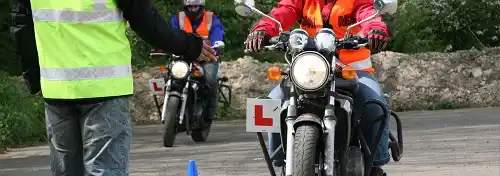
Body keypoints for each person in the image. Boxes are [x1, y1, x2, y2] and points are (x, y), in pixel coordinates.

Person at [10, 0, 217, 175]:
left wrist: (36, 76)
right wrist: (189, 46)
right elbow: (145, 19)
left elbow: (21, 23)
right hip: (105, 89)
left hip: (57, 88)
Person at [244, 0, 391, 175]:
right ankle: (282, 159)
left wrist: (376, 29)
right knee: (273, 100)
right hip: (310, 69)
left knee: (374, 103)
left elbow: (367, 12)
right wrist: (262, 30)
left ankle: (375, 164)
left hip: (353, 70)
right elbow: (283, 12)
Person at [171, 0, 225, 120]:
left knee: (210, 80)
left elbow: (218, 35)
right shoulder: (178, 19)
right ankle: (172, 103)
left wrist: (216, 47)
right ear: (185, 6)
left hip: (207, 58)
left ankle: (210, 113)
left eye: (195, 6)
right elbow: (170, 35)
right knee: (168, 75)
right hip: (183, 59)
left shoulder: (211, 18)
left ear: (201, 6)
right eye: (190, 7)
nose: (193, 9)